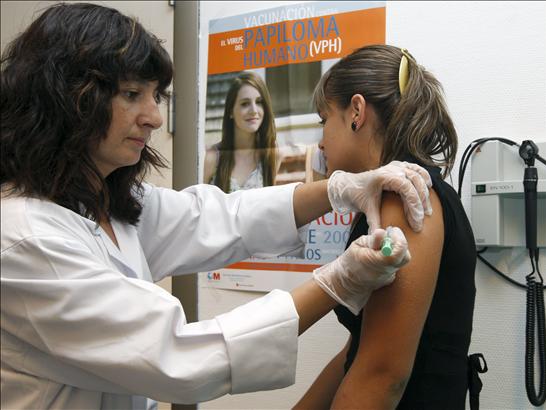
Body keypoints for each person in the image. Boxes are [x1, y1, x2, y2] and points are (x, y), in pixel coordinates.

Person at [1, 4, 432, 409]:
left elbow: (219, 217)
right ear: (68, 98)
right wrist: (337, 281)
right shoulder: (25, 238)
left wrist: (336, 190)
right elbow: (178, 357)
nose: (154, 117)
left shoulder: (106, 203)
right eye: (132, 93)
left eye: (155, 96)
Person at [293, 45, 477, 410]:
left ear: (356, 112)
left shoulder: (407, 200)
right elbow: (359, 349)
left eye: (323, 119)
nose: (321, 140)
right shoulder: (380, 200)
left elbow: (382, 376)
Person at [204, 71, 279, 192]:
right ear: (231, 111)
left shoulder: (270, 156)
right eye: (245, 104)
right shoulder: (212, 158)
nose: (254, 110)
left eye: (259, 102)